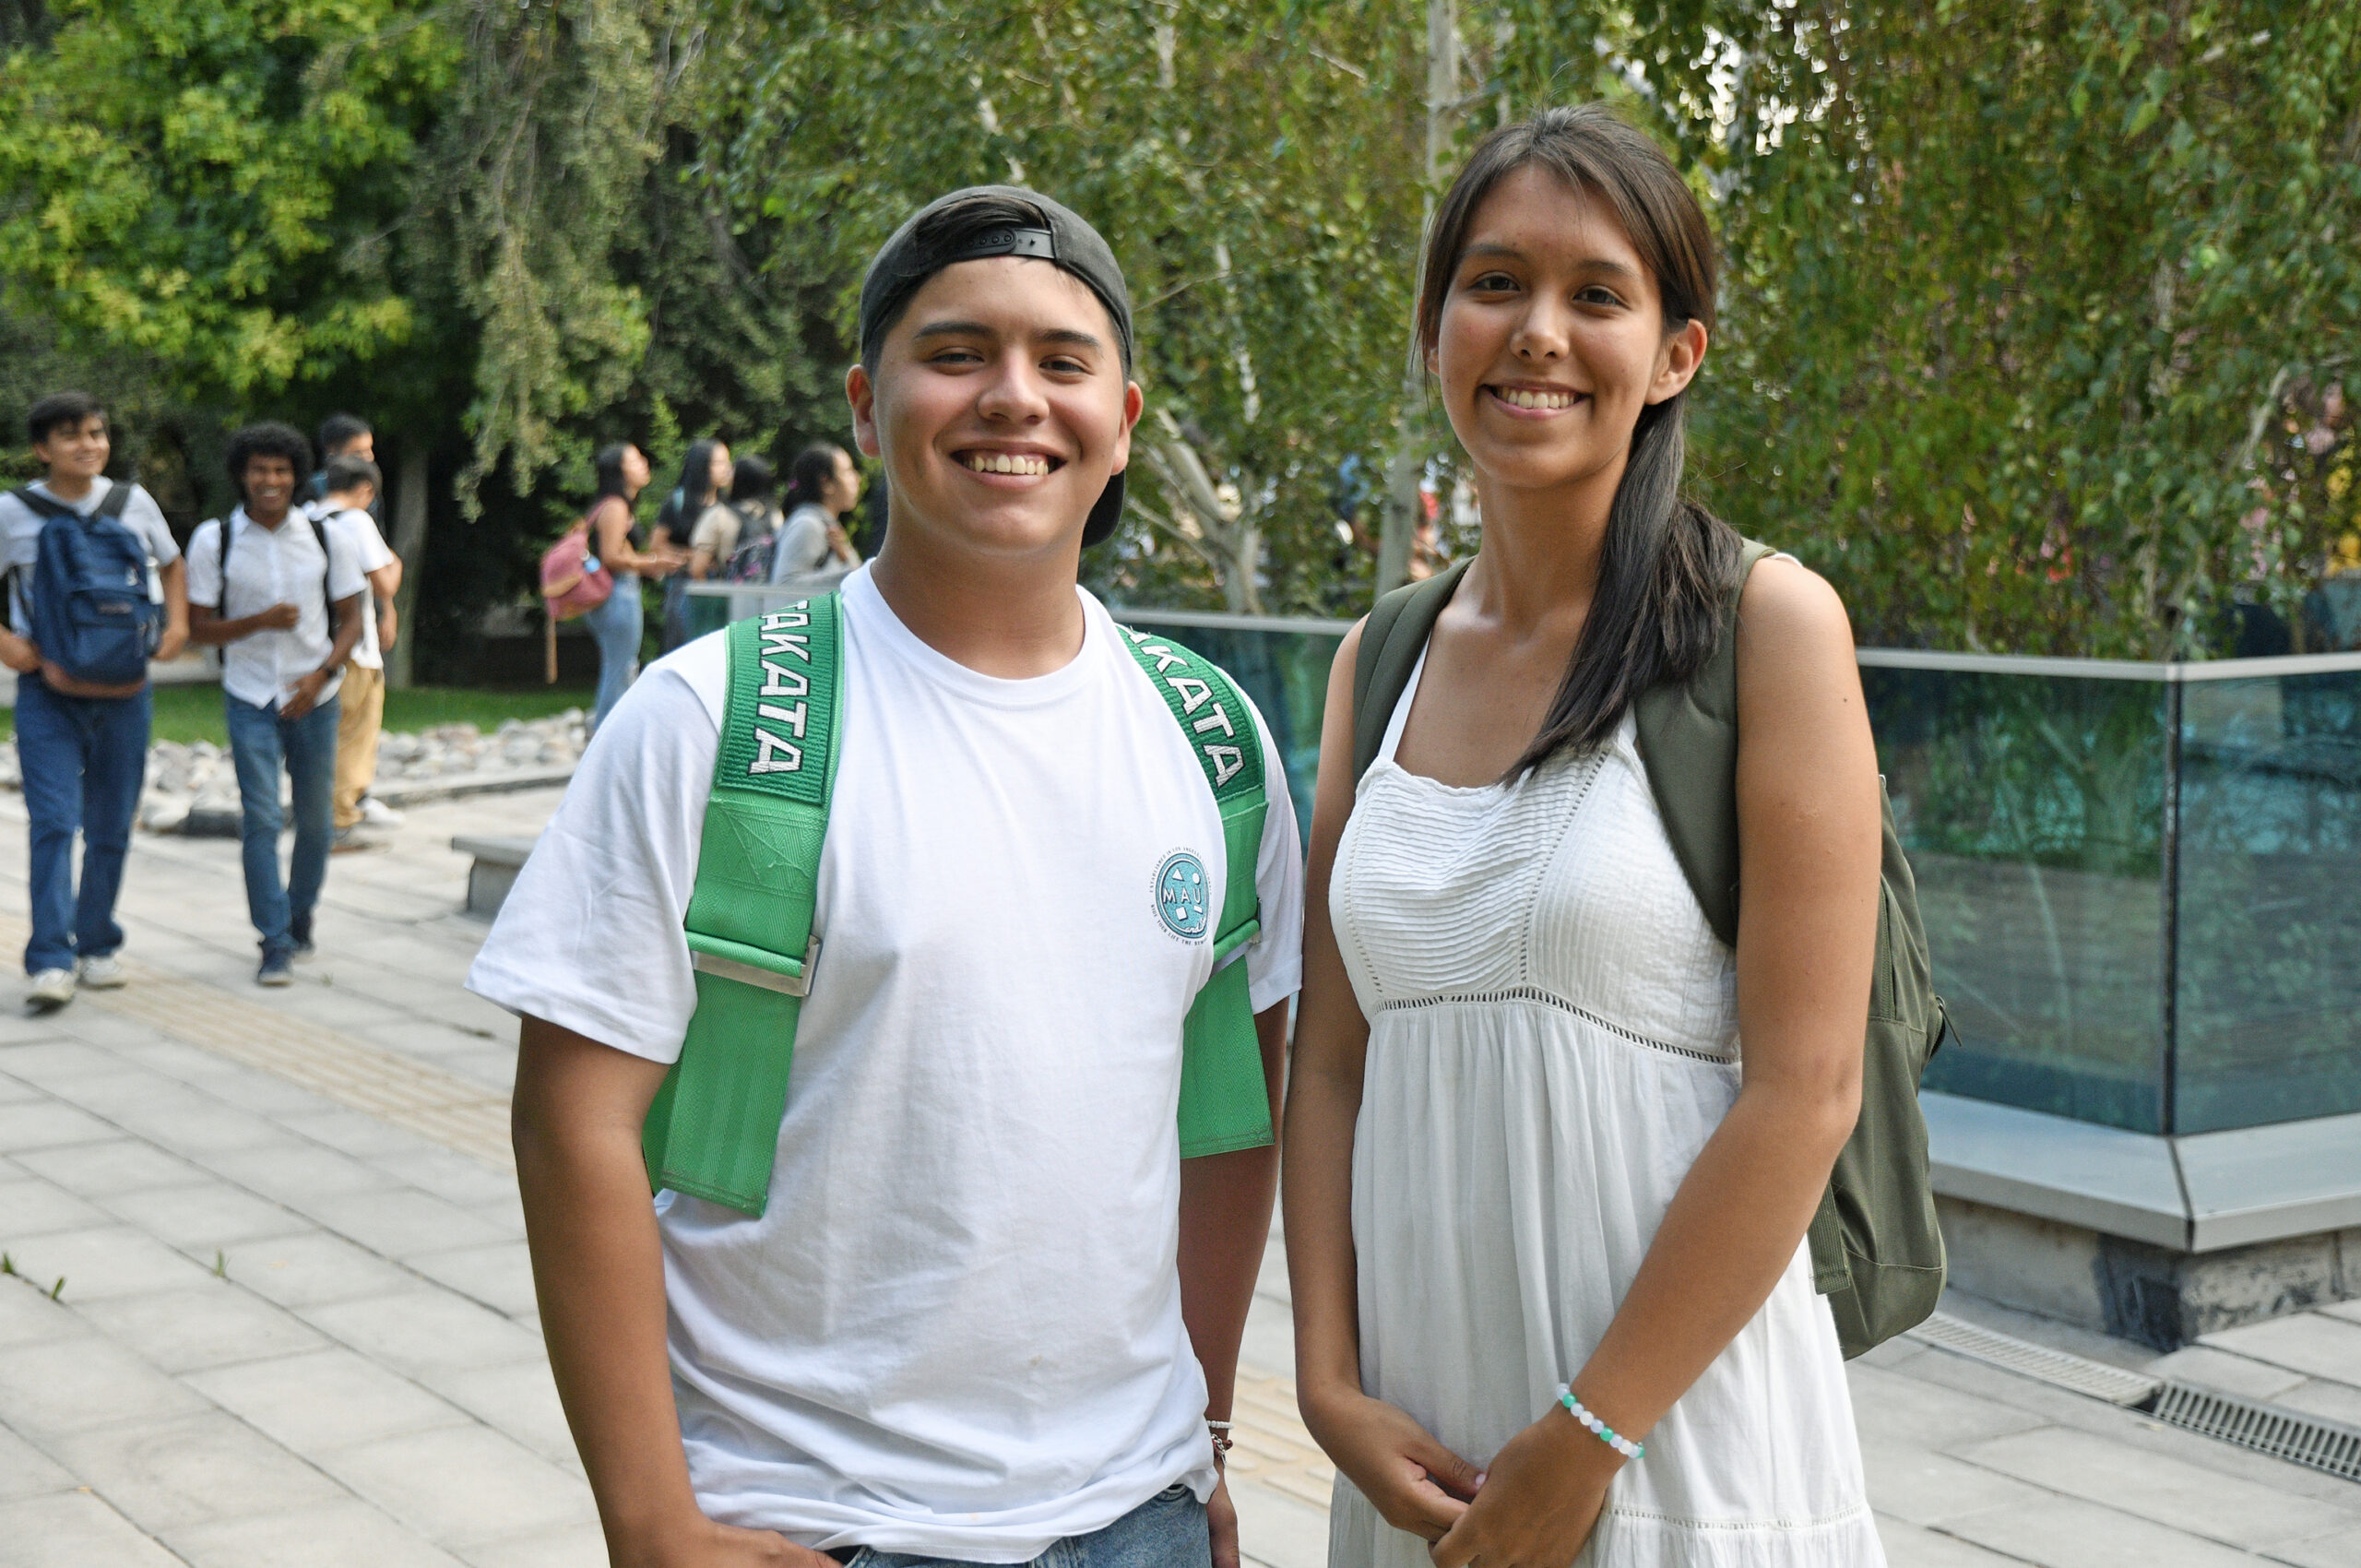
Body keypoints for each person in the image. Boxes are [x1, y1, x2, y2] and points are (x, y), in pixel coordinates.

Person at [470, 185, 1302, 1568]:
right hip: (816, 1520)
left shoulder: (1212, 738)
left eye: (1062, 361)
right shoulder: (715, 721)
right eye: (957, 353)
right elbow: (573, 1123)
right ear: (868, 406)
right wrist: (652, 1521)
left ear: (1122, 423)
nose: (1013, 396)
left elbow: (1229, 1122)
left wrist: (1204, 1435)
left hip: (1138, 1515)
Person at [1284, 106, 1887, 1568]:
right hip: (1423, 1446)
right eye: (1494, 283)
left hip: (1674, 1444)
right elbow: (1331, 1061)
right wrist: (1324, 1385)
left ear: (1676, 353)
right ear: (1436, 329)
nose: (1537, 332)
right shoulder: (1380, 660)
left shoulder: (1766, 627)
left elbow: (1807, 1090)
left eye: (1597, 294)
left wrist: (1589, 1436)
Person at [0, 392, 189, 1009]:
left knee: (110, 825)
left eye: (96, 433)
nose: (88, 445)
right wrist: (6, 642)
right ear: (41, 449)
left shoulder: (133, 502)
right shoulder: (12, 511)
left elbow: (174, 563)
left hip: (126, 689)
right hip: (47, 691)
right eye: (71, 435)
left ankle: (98, 944)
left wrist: (179, 627)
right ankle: (51, 960)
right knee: (55, 823)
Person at [187, 422, 368, 987]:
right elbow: (198, 628)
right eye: (260, 470)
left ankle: (300, 913)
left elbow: (352, 618)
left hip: (314, 694)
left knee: (315, 822)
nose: (271, 480)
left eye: (282, 470)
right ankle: (273, 940)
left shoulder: (326, 537)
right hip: (249, 694)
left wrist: (322, 675)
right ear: (242, 475)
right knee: (262, 818)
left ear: (297, 476)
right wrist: (259, 622)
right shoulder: (214, 539)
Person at [307, 455, 402, 851]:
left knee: (320, 739)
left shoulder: (306, 517)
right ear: (365, 489)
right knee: (353, 738)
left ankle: (315, 820)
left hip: (312, 649)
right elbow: (386, 583)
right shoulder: (356, 521)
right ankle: (339, 823)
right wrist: (396, 561)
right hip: (354, 650)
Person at [580, 442, 682, 731]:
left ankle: (608, 737)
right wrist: (652, 562)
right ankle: (606, 738)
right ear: (619, 471)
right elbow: (611, 557)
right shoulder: (615, 506)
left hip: (617, 593)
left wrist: (649, 561)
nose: (644, 464)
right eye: (635, 460)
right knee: (621, 671)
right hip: (618, 594)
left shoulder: (613, 505)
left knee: (620, 669)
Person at [652, 439, 730, 651]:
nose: (726, 469)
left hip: (718, 584)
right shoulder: (677, 502)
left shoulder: (726, 505)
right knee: (682, 646)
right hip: (684, 583)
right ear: (702, 466)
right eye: (719, 463)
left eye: (727, 462)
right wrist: (693, 556)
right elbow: (657, 545)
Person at [770, 440, 864, 584]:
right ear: (826, 483)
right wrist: (850, 576)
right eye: (848, 472)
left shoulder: (826, 524)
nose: (857, 479)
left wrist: (846, 557)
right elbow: (785, 584)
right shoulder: (808, 525)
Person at [686, 453, 774, 580]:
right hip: (768, 590)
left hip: (729, 589)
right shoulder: (776, 517)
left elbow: (697, 568)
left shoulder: (718, 515)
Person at [304, 412, 377, 513]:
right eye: (358, 453)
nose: (368, 458)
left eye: (369, 450)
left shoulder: (368, 488)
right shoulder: (313, 488)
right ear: (332, 451)